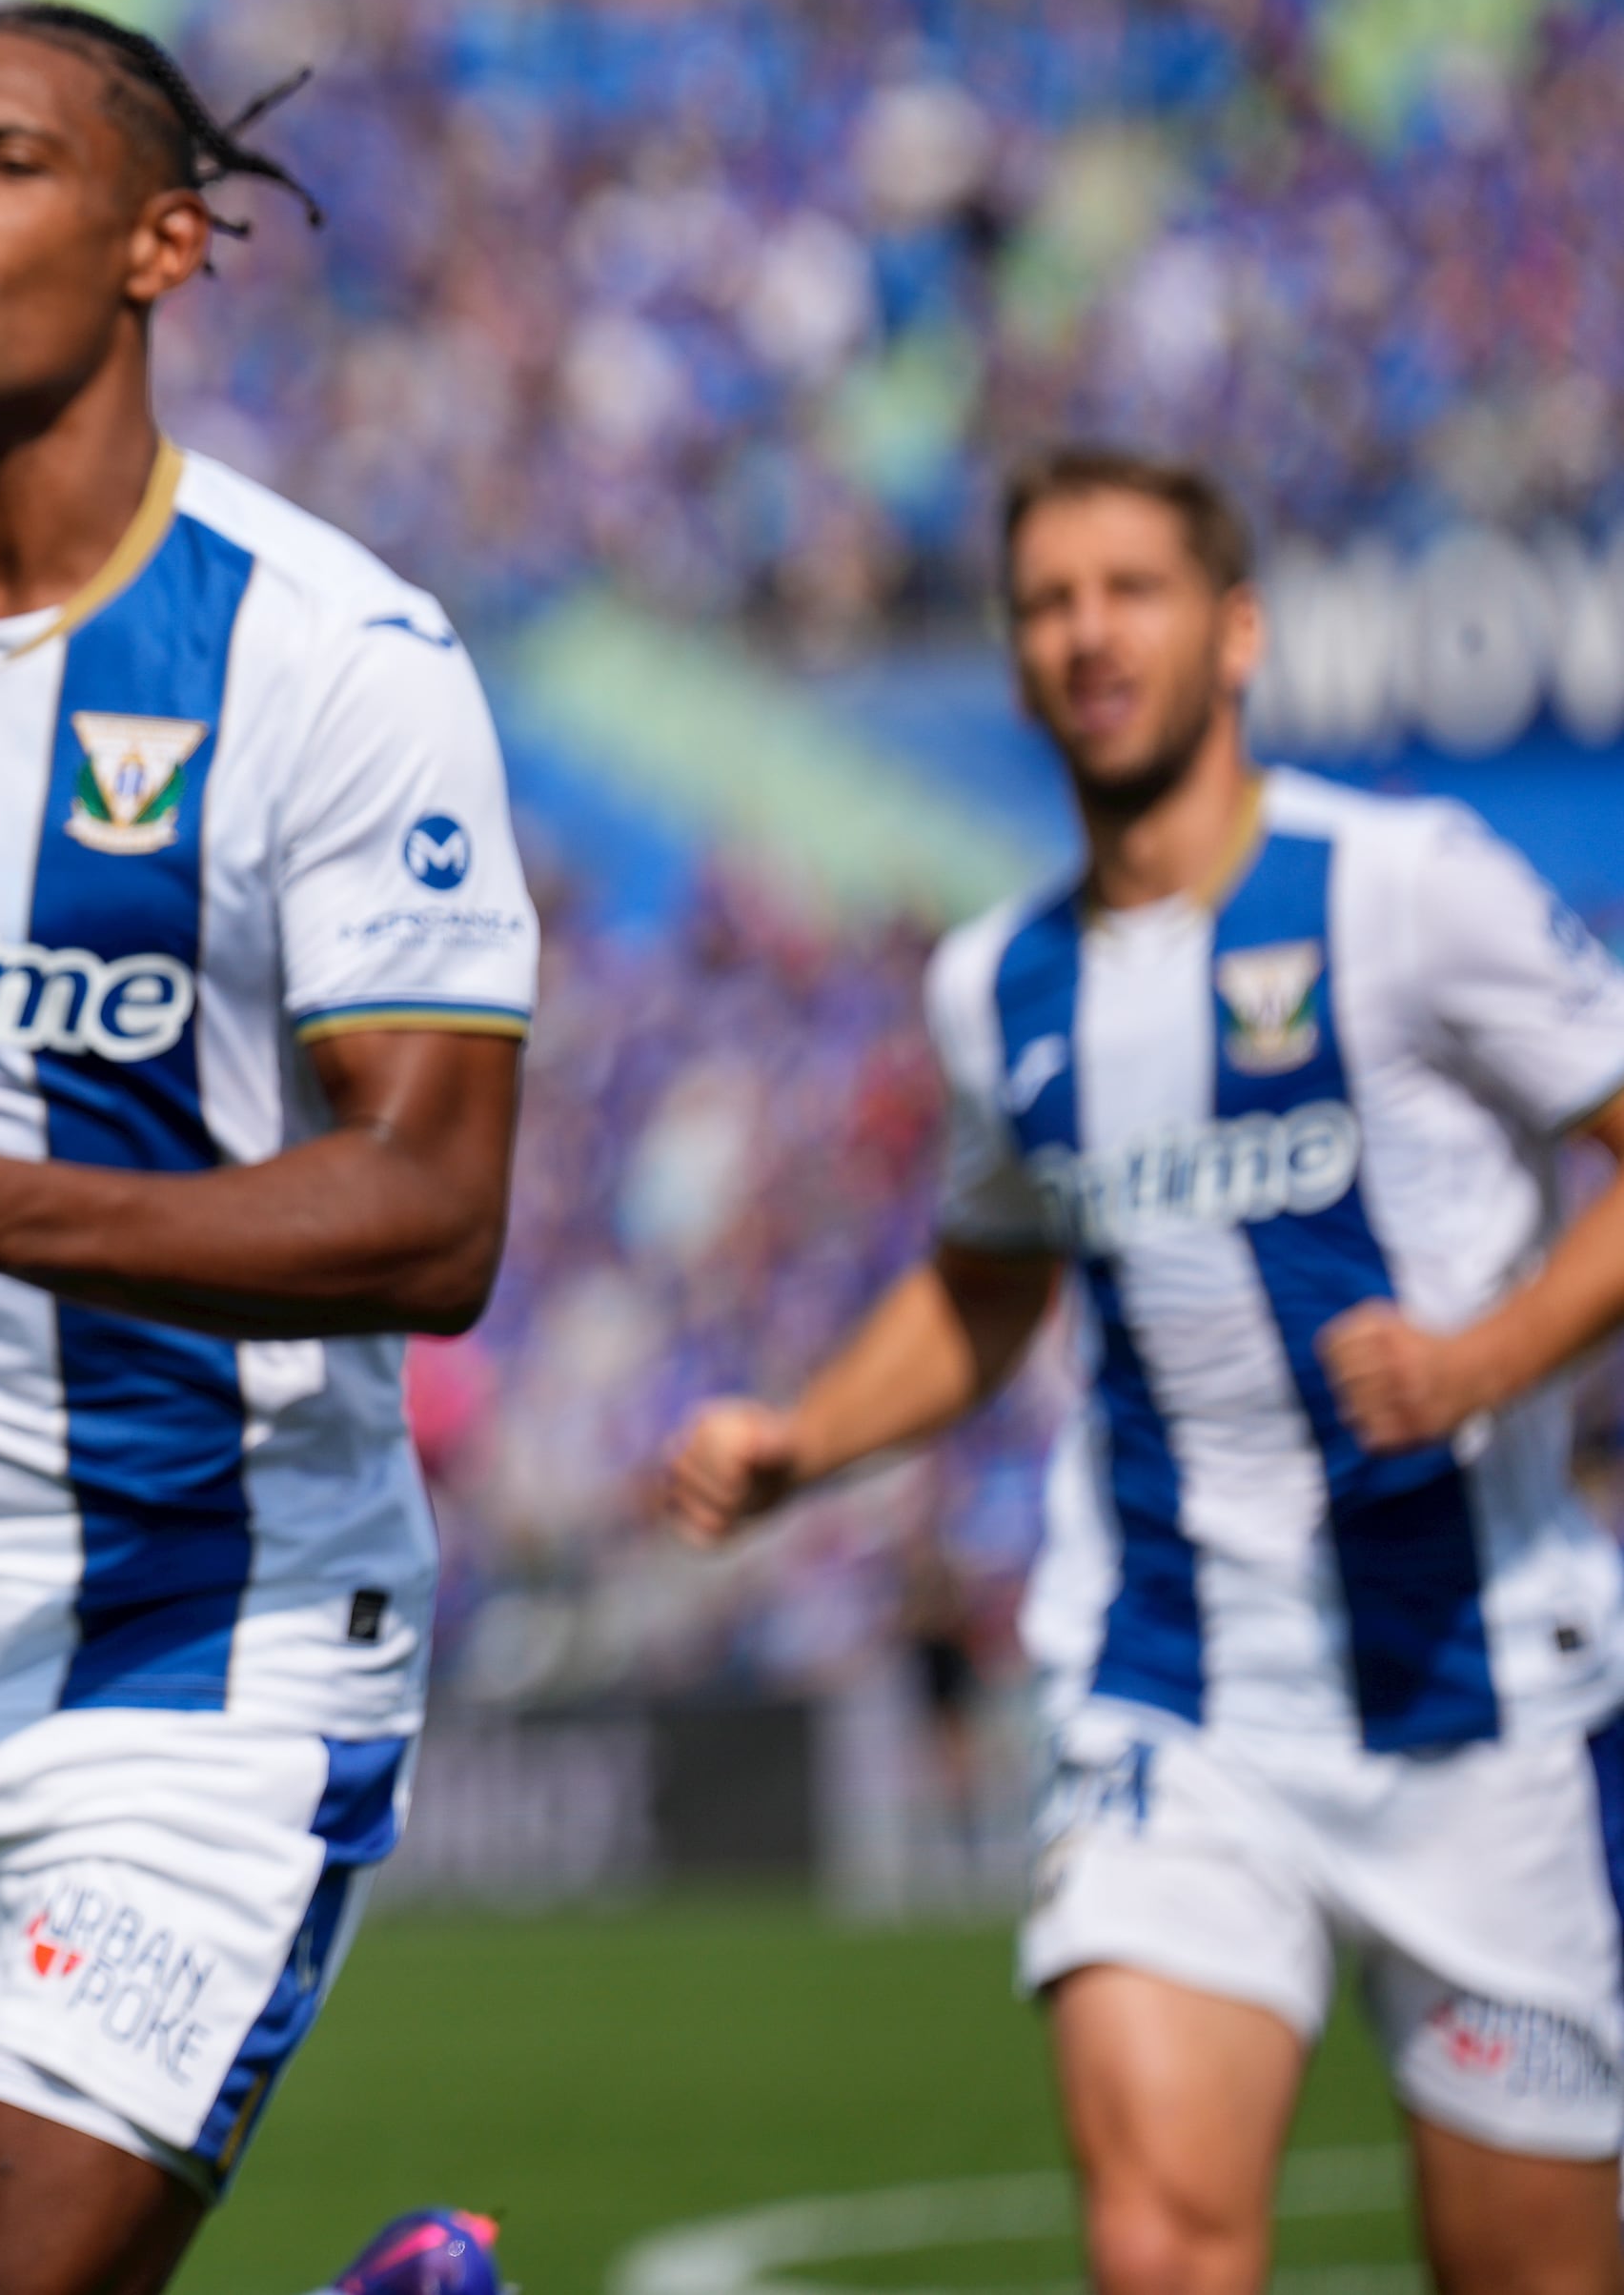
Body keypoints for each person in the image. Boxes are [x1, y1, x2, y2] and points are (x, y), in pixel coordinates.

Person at [0, 4, 535, 2295]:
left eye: (6, 158)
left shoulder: (327, 654)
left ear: (163, 238)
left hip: (212, 1657)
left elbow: (438, 1208)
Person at [664, 447, 1624, 2295]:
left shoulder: (1406, 889)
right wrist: (803, 1438)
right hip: (1173, 1704)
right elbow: (983, 1286)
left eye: (1130, 589)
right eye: (1045, 600)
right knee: (1158, 2247)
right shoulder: (994, 985)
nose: (1085, 632)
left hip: (1478, 1700)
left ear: (1236, 629)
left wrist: (1481, 1356)